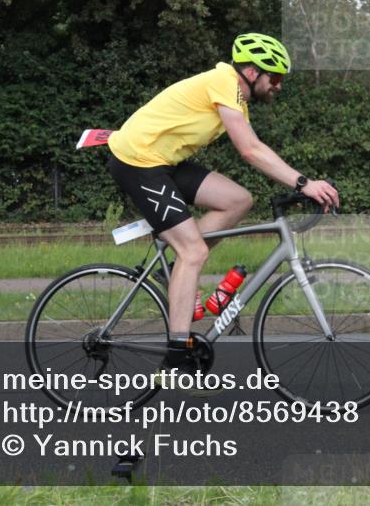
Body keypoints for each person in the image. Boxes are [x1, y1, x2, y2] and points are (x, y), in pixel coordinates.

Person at [106, 33, 340, 393]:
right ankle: (175, 360)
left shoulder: (235, 98)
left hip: (163, 162)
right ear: (252, 72)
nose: (278, 86)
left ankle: (178, 270)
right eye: (275, 77)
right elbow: (250, 150)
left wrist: (299, 182)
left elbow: (254, 146)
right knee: (194, 251)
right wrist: (303, 183)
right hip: (138, 162)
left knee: (238, 200)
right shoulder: (224, 83)